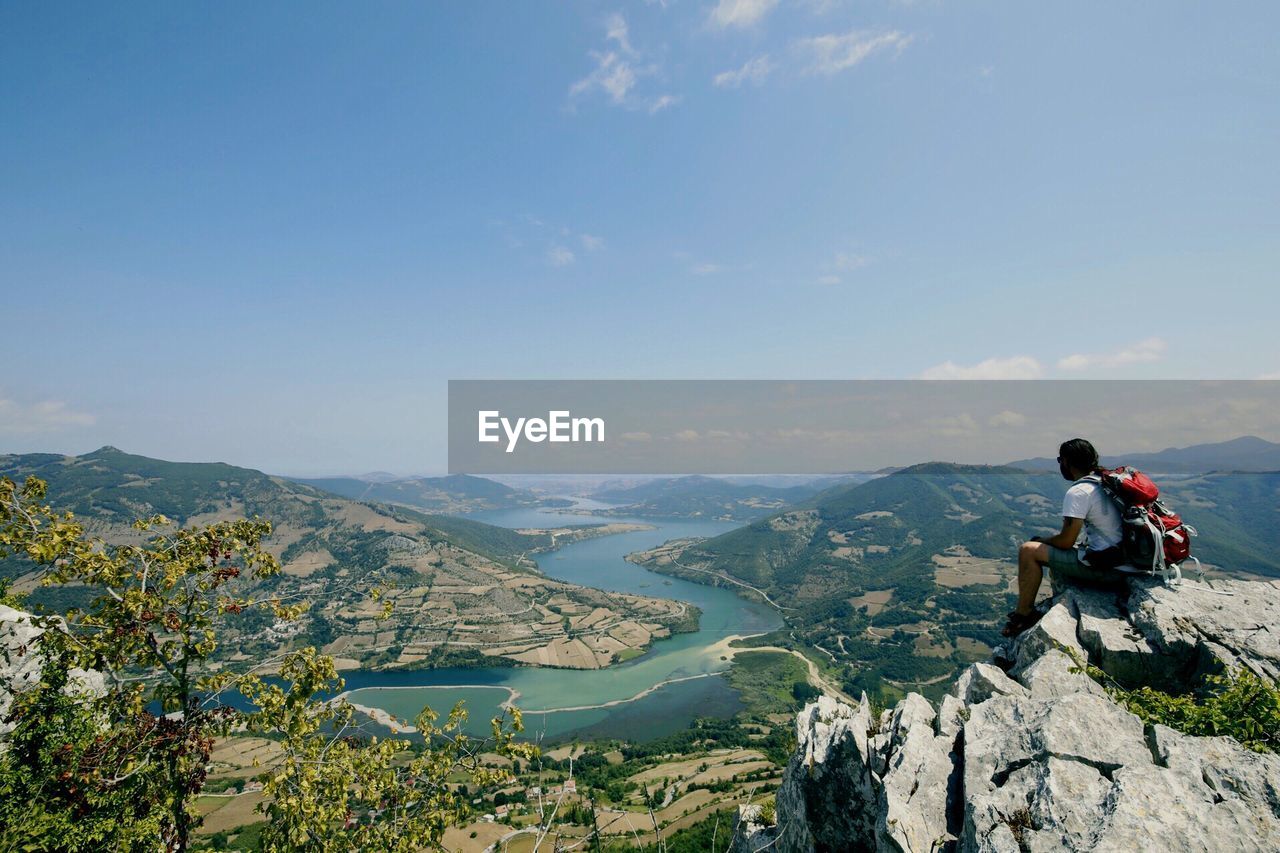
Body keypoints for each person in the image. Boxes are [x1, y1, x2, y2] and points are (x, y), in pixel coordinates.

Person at [1002, 438, 1125, 638]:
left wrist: (1041, 540)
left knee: (1028, 550)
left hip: (1110, 570)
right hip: (1128, 563)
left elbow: (1066, 541)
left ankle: (1023, 614)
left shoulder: (1079, 492)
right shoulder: (1106, 483)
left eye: (1060, 460)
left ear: (1066, 462)